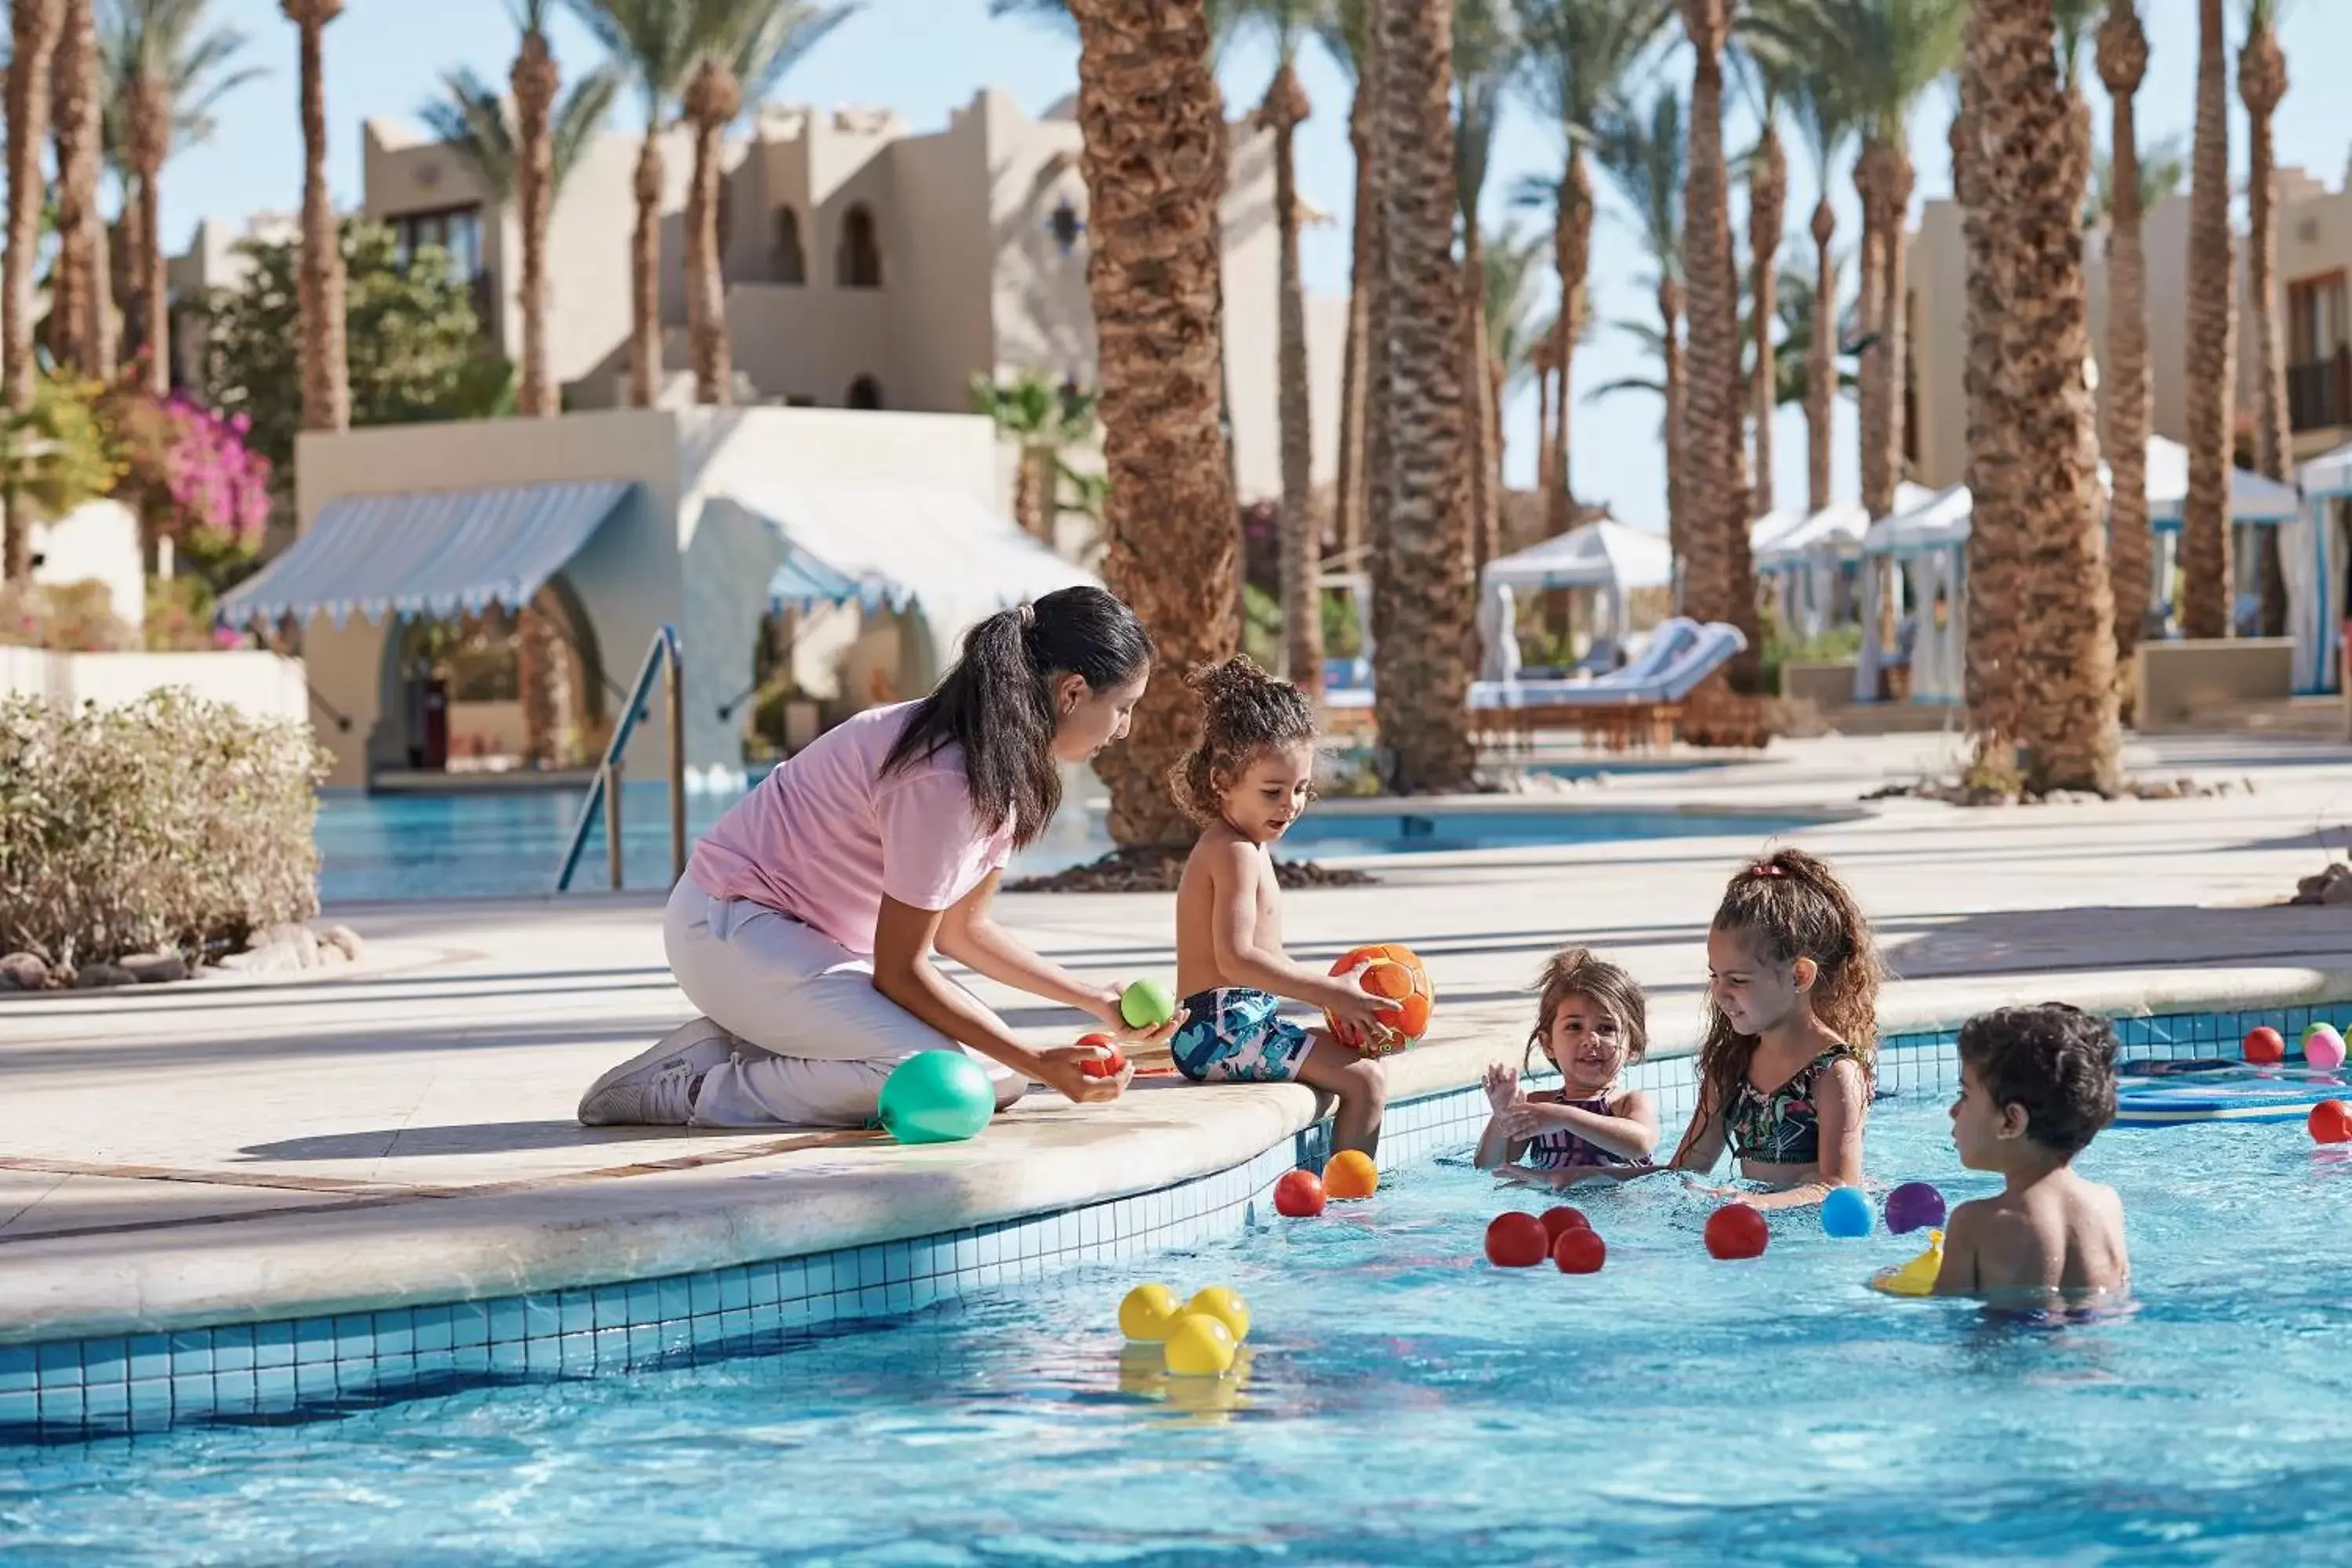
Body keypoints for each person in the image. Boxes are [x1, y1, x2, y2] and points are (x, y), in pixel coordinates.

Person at [577, 586, 1182, 1131]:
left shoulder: (1004, 764)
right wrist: (1038, 1058)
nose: (1125, 729)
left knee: (998, 1080)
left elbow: (962, 931)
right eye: (1124, 705)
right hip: (730, 930)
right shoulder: (944, 776)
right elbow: (901, 970)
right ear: (1073, 692)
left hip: (809, 946)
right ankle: (695, 1089)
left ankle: (745, 1044)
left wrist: (1091, 997)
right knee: (931, 1074)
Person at [1167, 656, 1392, 1155]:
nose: (1289, 805)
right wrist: (1328, 993)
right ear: (1222, 781)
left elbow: (1258, 960)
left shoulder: (1246, 846)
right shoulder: (1232, 851)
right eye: (1272, 791)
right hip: (1219, 1033)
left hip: (1231, 1026)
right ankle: (1352, 1206)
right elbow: (1236, 959)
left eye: (1300, 789)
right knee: (1367, 1083)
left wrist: (1337, 1004)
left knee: (1352, 1052)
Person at [1666, 848, 1885, 1209]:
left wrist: (1756, 1203)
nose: (1720, 993)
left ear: (1799, 976)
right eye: (1714, 976)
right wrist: (1591, 1178)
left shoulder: (1833, 1072)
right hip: (1755, 1225)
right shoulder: (1732, 1064)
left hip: (1815, 1237)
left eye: (1737, 979)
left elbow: (1839, 1187)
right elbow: (1684, 1170)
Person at [1936, 1004, 2130, 1301]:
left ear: (2011, 1121)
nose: (1953, 1111)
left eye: (1965, 1095)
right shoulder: (2107, 1205)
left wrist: (1887, 1286)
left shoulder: (1975, 1223)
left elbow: (1946, 1309)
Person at [1477, 946, 1659, 1183]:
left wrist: (1564, 1117)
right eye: (1574, 1027)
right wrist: (1502, 1117)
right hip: (1554, 1210)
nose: (1590, 1039)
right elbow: (1488, 1165)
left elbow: (1641, 1144)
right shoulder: (1538, 1106)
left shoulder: (1626, 1104)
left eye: (1606, 1028)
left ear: (1633, 1044)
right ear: (1548, 1043)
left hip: (1622, 1208)